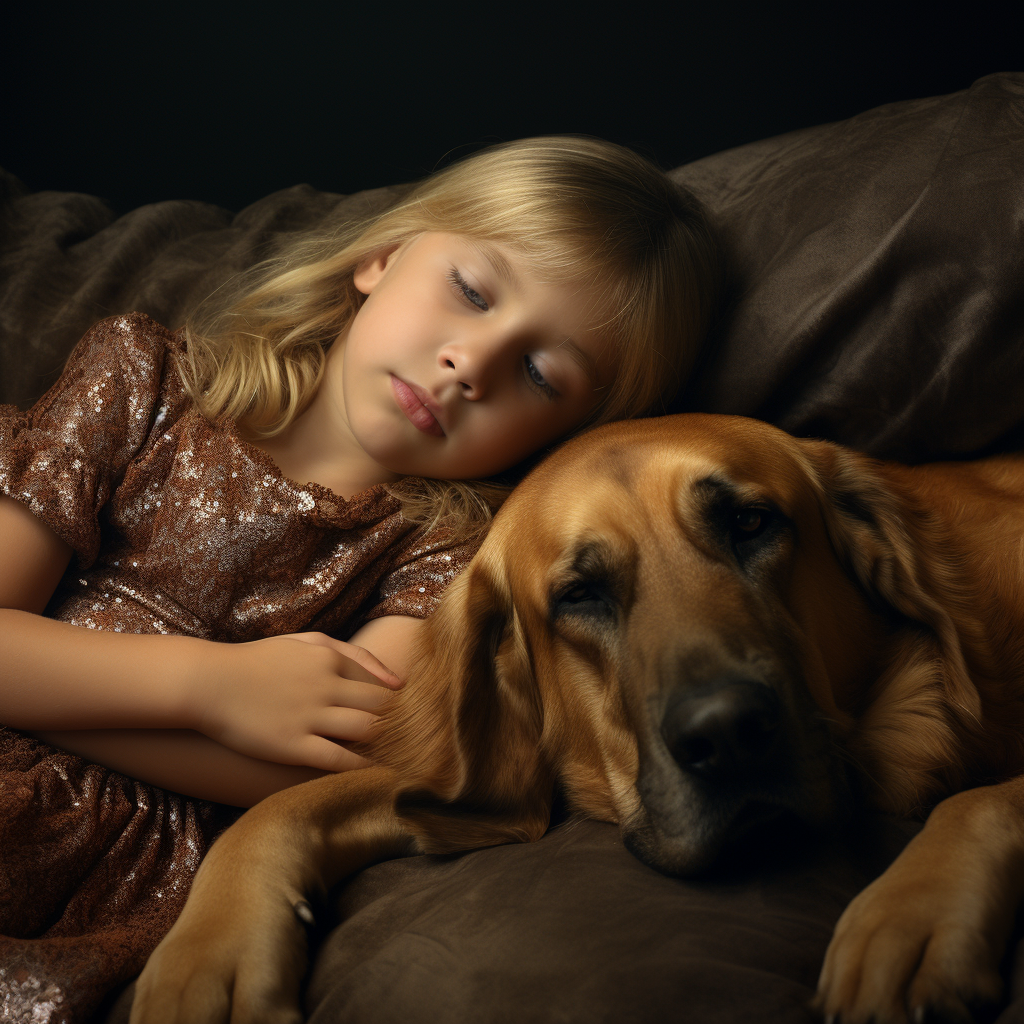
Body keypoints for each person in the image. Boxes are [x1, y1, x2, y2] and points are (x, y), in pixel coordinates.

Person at [0, 136, 718, 1021]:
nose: (471, 363)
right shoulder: (139, 377)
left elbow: (326, 774)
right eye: (471, 290)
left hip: (110, 881)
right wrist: (209, 688)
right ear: (382, 256)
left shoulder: (447, 552)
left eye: (539, 373)